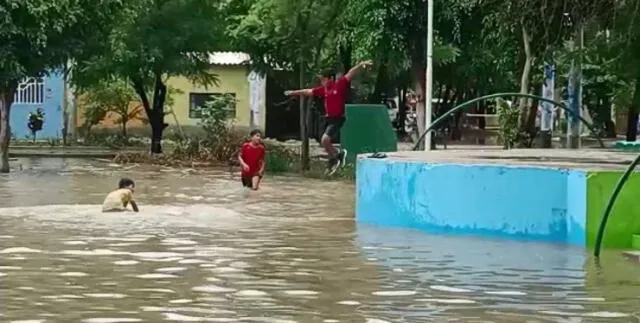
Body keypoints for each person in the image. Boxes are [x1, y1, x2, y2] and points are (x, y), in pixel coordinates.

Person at [284, 60, 373, 175]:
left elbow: (350, 73)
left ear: (331, 78)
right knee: (323, 142)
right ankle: (336, 156)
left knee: (325, 140)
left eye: (323, 79)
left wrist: (360, 65)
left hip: (337, 118)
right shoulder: (323, 90)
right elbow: (308, 91)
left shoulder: (339, 84)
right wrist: (293, 92)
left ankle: (336, 156)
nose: (322, 82)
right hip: (328, 119)